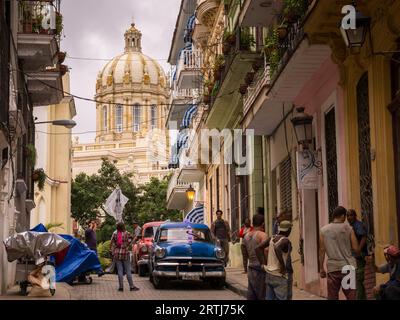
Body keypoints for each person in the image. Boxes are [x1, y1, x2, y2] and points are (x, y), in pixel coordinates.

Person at [319, 206, 359, 300]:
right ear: (342, 216)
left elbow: (321, 250)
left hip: (333, 268)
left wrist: (321, 268)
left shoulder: (323, 230)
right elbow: (356, 248)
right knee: (351, 296)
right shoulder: (349, 229)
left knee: (333, 296)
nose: (346, 218)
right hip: (348, 267)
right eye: (345, 216)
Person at [256, 220, 293, 300]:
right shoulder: (285, 240)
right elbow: (277, 248)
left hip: (269, 274)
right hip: (280, 275)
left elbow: (258, 248)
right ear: (288, 230)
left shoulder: (272, 238)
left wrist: (263, 264)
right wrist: (282, 266)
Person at [242, 214, 267, 300]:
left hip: (251, 267)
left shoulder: (246, 236)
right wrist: (266, 265)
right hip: (260, 268)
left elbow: (244, 254)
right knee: (262, 294)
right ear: (263, 224)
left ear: (253, 223)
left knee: (252, 295)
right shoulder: (262, 235)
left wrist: (245, 268)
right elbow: (266, 251)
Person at [110, 222, 139, 292]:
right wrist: (127, 245)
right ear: (123, 226)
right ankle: (131, 286)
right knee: (128, 270)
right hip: (125, 253)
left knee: (120, 270)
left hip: (117, 253)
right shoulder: (127, 233)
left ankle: (121, 287)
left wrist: (111, 250)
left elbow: (111, 242)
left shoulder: (115, 233)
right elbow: (131, 240)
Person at [346, 209, 368, 300]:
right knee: (356, 280)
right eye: (347, 215)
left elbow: (363, 237)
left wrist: (358, 250)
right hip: (354, 257)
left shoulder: (358, 225)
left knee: (358, 280)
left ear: (355, 216)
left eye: (351, 215)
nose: (349, 217)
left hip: (359, 256)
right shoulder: (351, 226)